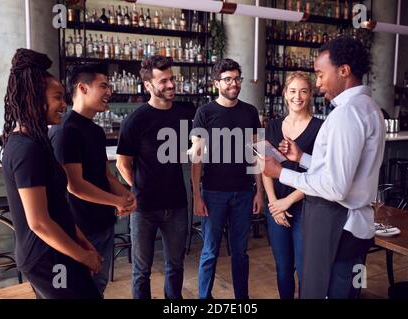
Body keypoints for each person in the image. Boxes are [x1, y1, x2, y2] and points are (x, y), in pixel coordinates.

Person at [261, 36, 386, 299]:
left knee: (326, 291)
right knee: (350, 288)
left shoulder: (346, 114)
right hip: (354, 227)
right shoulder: (369, 107)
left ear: (344, 71)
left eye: (320, 74)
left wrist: (281, 172)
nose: (317, 84)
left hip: (338, 226)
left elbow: (335, 186)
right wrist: (303, 158)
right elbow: (345, 169)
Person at [1, 48, 102, 299]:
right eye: (57, 97)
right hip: (45, 257)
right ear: (34, 98)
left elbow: (57, 207)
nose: (63, 104)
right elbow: (39, 222)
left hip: (56, 250)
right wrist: (85, 257)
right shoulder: (26, 148)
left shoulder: (36, 141)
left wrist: (81, 242)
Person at [49, 64, 136, 296]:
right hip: (80, 227)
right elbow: (74, 185)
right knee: (81, 289)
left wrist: (125, 195)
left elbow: (105, 175)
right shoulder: (66, 130)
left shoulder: (95, 130)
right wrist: (116, 202)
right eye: (103, 86)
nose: (109, 92)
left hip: (103, 222)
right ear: (82, 88)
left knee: (98, 285)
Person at [116, 55, 195, 299]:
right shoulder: (136, 120)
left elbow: (198, 146)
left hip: (177, 204)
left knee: (176, 266)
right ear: (148, 85)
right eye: (163, 81)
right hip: (145, 207)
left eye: (172, 79)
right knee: (141, 271)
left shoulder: (186, 113)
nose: (171, 85)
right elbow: (123, 163)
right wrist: (139, 188)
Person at [191, 58, 263, 299]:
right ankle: (204, 298)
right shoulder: (205, 112)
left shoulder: (250, 112)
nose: (234, 84)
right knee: (210, 251)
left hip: (244, 192)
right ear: (216, 83)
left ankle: (242, 298)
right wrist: (197, 196)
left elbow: (256, 155)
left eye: (237, 79)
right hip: (213, 193)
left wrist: (259, 192)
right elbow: (197, 157)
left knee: (240, 252)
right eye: (228, 79)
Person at [262, 72, 323, 299]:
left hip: (307, 206)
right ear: (285, 94)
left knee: (305, 268)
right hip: (276, 208)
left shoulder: (321, 128)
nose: (298, 96)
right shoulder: (272, 125)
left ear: (311, 95)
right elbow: (264, 166)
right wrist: (274, 203)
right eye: (293, 91)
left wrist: (287, 201)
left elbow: (320, 174)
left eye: (304, 91)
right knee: (283, 268)